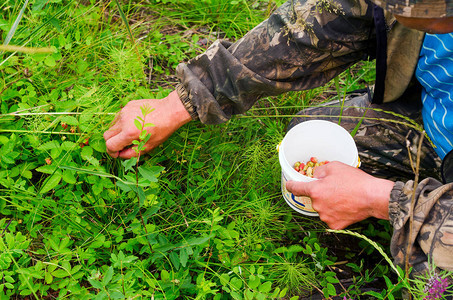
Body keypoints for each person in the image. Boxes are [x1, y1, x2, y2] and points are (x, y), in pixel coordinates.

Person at [104, 0, 453, 277]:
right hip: (428, 123)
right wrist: (184, 100)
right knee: (314, 126)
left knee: (431, 280)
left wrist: (380, 199)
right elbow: (320, 23)